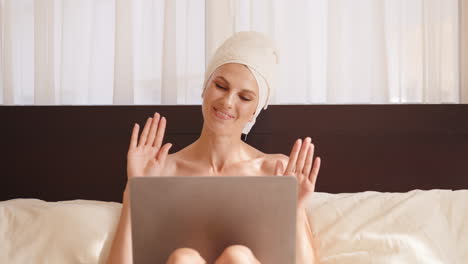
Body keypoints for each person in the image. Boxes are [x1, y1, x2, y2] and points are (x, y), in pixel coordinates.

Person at [106, 31, 321, 264]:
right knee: (183, 258)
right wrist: (134, 191)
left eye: (245, 97)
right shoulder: (160, 171)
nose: (228, 102)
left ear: (254, 112)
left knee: (237, 257)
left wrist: (296, 210)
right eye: (221, 86)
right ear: (205, 88)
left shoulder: (277, 171)